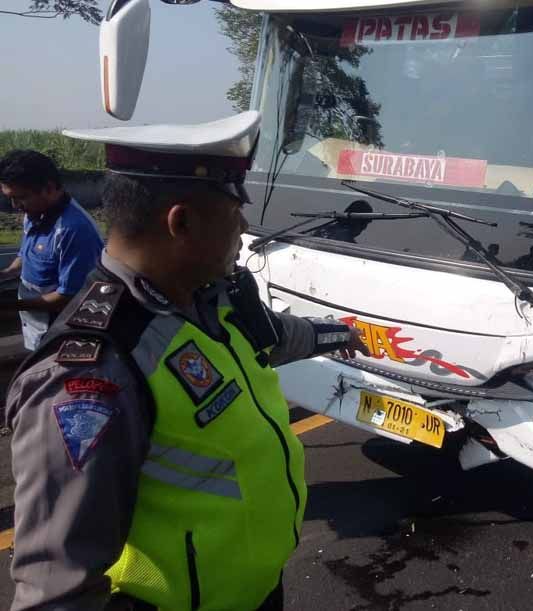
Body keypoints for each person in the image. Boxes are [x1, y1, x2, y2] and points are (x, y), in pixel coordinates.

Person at [5, 111, 368, 611]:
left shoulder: (210, 299)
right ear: (182, 222)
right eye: (234, 211)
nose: (244, 227)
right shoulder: (93, 372)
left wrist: (337, 335)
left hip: (257, 590)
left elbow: (273, 337)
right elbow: (56, 592)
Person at [0, 150, 104, 349]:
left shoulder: (74, 230)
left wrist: (8, 307)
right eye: (9, 198)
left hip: (57, 333)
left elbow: (68, 298)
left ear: (48, 188)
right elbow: (27, 254)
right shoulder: (34, 213)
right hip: (34, 324)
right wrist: (6, 273)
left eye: (20, 197)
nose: (14, 206)